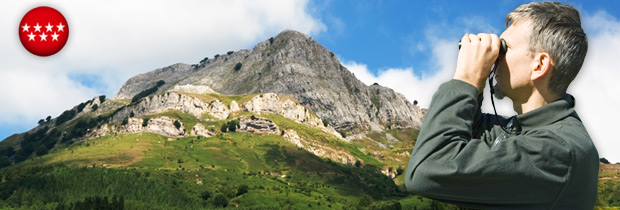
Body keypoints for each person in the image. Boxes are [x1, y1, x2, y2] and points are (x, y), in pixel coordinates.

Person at [404, 2, 599, 209]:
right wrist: (476, 85)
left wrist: (466, 78)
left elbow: (427, 169)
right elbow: (470, 131)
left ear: (539, 65)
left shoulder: (558, 150)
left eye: (504, 48)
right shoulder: (529, 131)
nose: (496, 58)